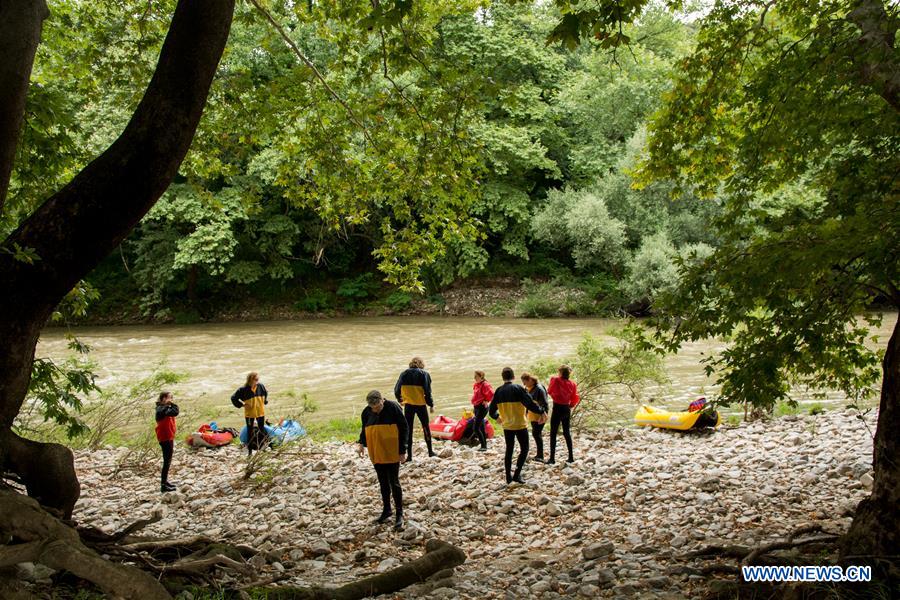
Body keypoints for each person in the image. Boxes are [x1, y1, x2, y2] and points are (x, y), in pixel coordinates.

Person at [357, 390, 408, 529]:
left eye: (378, 406)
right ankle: (387, 510)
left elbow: (404, 428)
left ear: (382, 400)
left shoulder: (393, 407)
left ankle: (399, 513)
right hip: (376, 451)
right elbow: (364, 429)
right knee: (382, 482)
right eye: (373, 407)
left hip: (391, 451)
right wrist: (361, 443)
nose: (376, 409)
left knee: (394, 482)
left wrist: (402, 450)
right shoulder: (366, 412)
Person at [489, 367, 546, 484]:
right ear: (513, 377)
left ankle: (508, 477)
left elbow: (491, 411)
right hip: (520, 425)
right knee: (524, 449)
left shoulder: (498, 391)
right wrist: (541, 411)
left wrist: (497, 418)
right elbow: (529, 403)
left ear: (503, 377)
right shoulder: (518, 388)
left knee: (509, 450)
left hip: (507, 426)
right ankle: (517, 474)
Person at [394, 357, 435, 460]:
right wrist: (431, 404)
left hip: (409, 406)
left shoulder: (403, 374)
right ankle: (430, 452)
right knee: (426, 427)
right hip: (421, 405)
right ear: (421, 364)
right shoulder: (424, 374)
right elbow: (427, 392)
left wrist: (400, 400)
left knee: (408, 430)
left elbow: (396, 389)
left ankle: (409, 456)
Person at [547, 365, 579, 464]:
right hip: (566, 408)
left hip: (557, 408)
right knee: (566, 432)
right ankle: (571, 457)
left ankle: (552, 458)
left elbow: (549, 391)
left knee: (553, 433)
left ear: (560, 372)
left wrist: (554, 396)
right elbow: (575, 397)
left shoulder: (555, 380)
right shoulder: (573, 384)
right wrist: (570, 405)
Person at [231, 372, 268, 456]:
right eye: (256, 379)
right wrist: (241, 405)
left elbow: (265, 393)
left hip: (260, 412)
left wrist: (265, 401)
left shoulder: (261, 386)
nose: (258, 381)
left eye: (258, 379)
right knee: (250, 431)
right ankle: (250, 452)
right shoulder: (243, 389)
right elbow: (233, 398)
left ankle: (262, 448)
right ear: (250, 380)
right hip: (249, 414)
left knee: (261, 429)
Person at [521, 373, 549, 462]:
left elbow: (545, 403)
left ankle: (540, 455)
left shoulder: (539, 389)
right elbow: (528, 403)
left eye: (525, 382)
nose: (524, 384)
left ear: (531, 380)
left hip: (540, 415)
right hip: (533, 415)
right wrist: (525, 413)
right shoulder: (528, 388)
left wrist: (543, 415)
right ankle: (539, 454)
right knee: (536, 433)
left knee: (536, 433)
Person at [155, 391, 179, 493]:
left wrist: (171, 404)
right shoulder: (160, 409)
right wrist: (168, 404)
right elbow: (167, 411)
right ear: (163, 398)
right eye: (169, 398)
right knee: (166, 461)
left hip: (169, 437)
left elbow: (175, 411)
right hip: (164, 438)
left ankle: (165, 482)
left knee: (168, 461)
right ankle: (163, 485)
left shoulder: (166, 408)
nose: (171, 400)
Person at [470, 370, 494, 452]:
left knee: (475, 428)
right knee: (481, 426)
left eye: (476, 376)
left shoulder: (485, 384)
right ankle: (484, 446)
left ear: (481, 377)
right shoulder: (476, 384)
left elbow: (492, 395)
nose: (474, 378)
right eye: (474, 376)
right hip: (476, 407)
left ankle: (483, 445)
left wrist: (487, 400)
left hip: (482, 407)